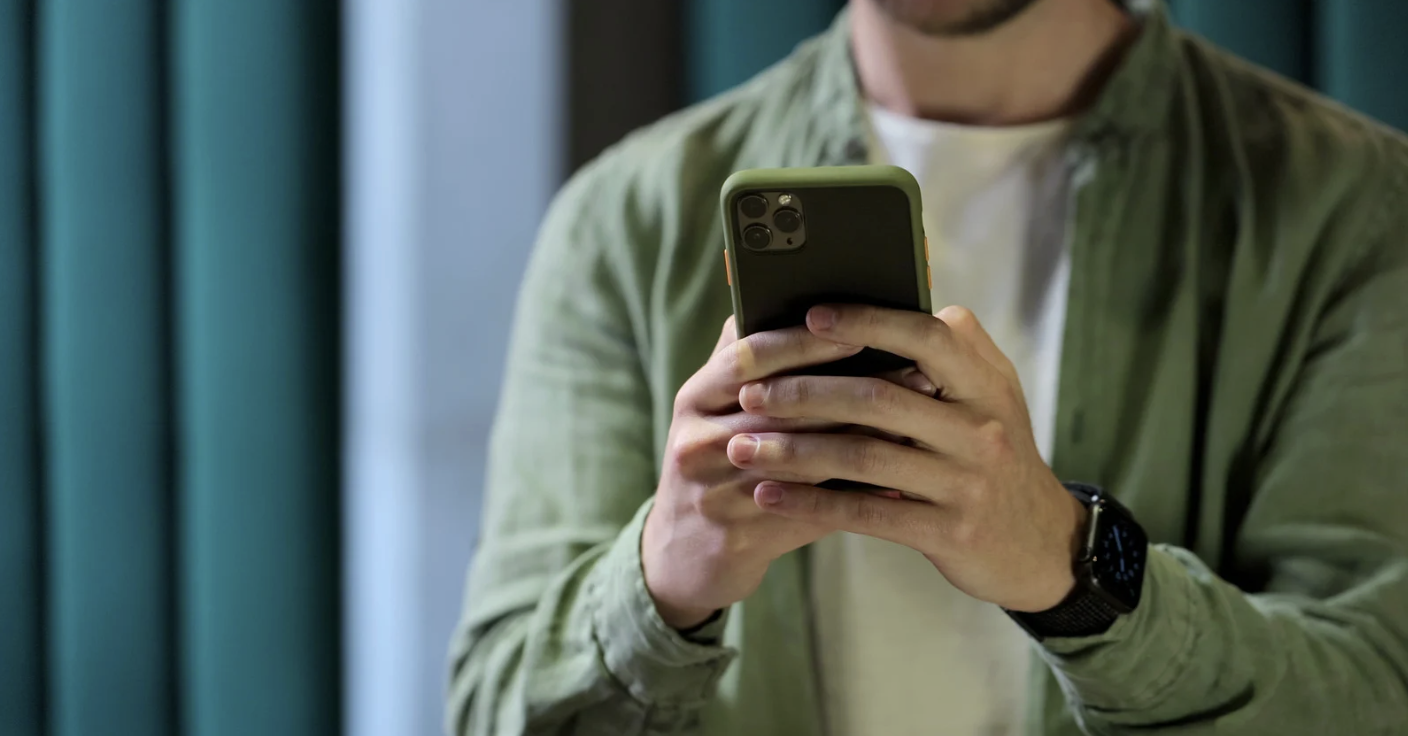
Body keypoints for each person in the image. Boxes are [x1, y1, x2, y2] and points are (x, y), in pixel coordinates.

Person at [447, 0, 1408, 733]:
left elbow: (1373, 692)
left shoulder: (1355, 212)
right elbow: (495, 704)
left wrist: (1074, 568)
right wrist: (660, 584)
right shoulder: (627, 224)